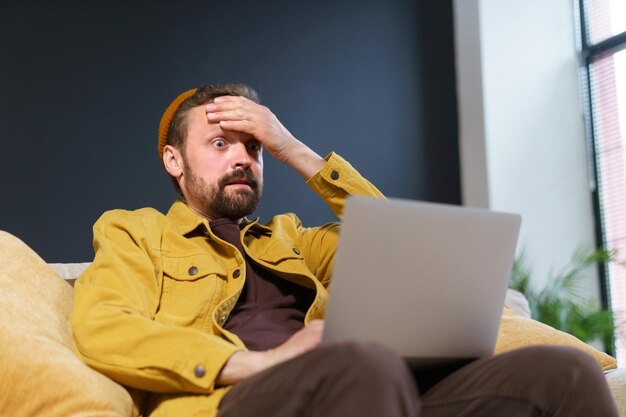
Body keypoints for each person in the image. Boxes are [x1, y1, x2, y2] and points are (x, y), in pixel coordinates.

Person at [72, 83, 619, 417]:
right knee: (362, 364)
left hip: (366, 389)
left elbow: (408, 249)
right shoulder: (135, 232)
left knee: (564, 372)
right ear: (174, 162)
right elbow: (104, 327)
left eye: (254, 148)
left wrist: (295, 149)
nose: (242, 159)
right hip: (234, 403)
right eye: (220, 144)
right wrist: (262, 360)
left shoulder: (295, 240)